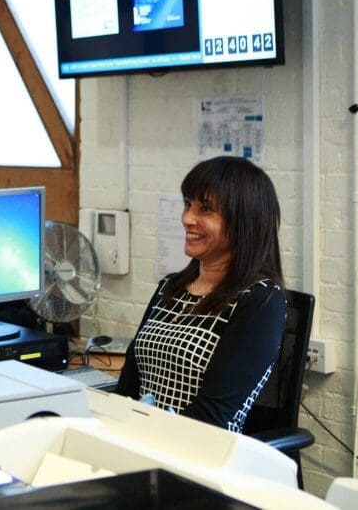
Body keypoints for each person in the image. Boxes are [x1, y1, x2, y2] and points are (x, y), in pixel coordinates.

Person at [114, 156, 287, 433]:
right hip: (143, 441)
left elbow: (213, 415)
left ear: (243, 223)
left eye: (205, 210)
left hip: (201, 453)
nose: (187, 219)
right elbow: (129, 385)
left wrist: (144, 438)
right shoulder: (171, 287)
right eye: (187, 204)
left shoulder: (260, 302)